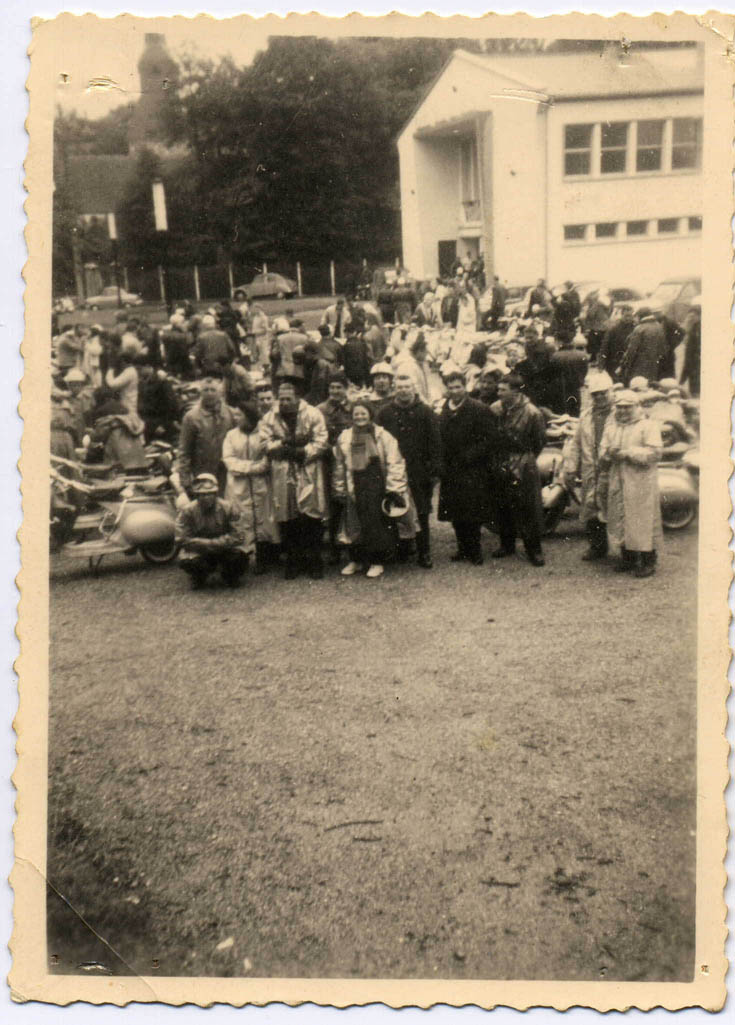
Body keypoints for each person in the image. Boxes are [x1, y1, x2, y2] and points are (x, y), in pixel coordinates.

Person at [333, 399, 418, 579]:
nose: (360, 417)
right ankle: (355, 559)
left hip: (375, 485)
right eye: (356, 414)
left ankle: (376, 561)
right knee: (353, 523)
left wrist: (394, 488)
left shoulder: (382, 435)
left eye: (363, 413)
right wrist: (340, 487)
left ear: (370, 415)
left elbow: (394, 461)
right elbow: (340, 464)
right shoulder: (345, 437)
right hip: (354, 484)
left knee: (375, 524)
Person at [259, 379, 329, 580]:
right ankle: (293, 561)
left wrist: (301, 452)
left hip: (308, 469)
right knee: (287, 517)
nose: (285, 402)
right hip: (282, 470)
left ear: (297, 397)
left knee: (311, 516)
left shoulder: (313, 414)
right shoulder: (269, 418)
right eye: (281, 399)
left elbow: (321, 441)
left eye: (289, 398)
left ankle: (314, 561)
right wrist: (286, 444)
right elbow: (264, 444)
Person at [376, 373, 441, 568]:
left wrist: (435, 470)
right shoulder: (385, 412)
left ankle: (424, 552)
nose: (403, 391)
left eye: (407, 387)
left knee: (420, 511)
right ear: (394, 388)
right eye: (400, 387)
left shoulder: (426, 412)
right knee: (395, 509)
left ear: (413, 388)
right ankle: (402, 549)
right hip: (393, 470)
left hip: (419, 470)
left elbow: (436, 442)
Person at [597, 390, 663, 578]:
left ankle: (648, 560)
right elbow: (602, 450)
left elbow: (655, 453)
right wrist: (608, 453)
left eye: (627, 407)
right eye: (619, 407)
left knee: (642, 518)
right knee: (620, 516)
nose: (623, 411)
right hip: (617, 478)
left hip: (640, 480)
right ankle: (628, 557)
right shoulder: (612, 427)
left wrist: (628, 453)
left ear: (636, 407)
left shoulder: (647, 426)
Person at [437, 369, 494, 565]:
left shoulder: (478, 409)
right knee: (455, 511)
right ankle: (462, 548)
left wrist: (470, 455)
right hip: (451, 469)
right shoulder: (444, 409)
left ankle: (474, 549)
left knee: (473, 511)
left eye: (458, 387)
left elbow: (489, 439)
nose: (455, 391)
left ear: (465, 387)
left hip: (472, 468)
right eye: (451, 387)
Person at [489, 373, 546, 566]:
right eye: (498, 389)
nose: (498, 393)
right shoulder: (495, 409)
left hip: (524, 461)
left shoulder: (532, 412)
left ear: (515, 391)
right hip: (501, 460)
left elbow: (539, 441)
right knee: (503, 504)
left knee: (528, 507)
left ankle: (534, 549)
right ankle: (507, 544)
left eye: (503, 390)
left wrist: (525, 459)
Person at [562, 371, 615, 561]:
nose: (599, 397)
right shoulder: (586, 416)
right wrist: (570, 468)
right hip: (590, 469)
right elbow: (576, 444)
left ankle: (629, 553)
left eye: (603, 393)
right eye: (595, 394)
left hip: (613, 469)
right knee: (591, 508)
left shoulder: (620, 413)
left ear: (611, 392)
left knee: (618, 509)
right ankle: (597, 547)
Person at [222, 402, 280, 574]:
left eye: (240, 415)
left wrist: (263, 463)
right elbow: (229, 461)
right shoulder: (231, 436)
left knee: (264, 519)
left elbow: (269, 458)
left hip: (261, 485)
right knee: (241, 519)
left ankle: (264, 557)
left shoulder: (263, 434)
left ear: (249, 417)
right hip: (239, 486)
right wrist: (254, 467)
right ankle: (243, 556)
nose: (236, 418)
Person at [175, 473, 250, 590]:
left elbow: (239, 536)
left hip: (223, 549)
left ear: (216, 494)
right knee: (188, 561)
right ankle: (199, 577)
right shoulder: (187, 511)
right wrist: (212, 544)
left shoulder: (229, 508)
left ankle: (230, 576)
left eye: (209, 493)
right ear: (196, 495)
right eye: (202, 495)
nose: (206, 497)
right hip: (200, 551)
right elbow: (181, 538)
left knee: (239, 556)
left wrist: (206, 543)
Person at [177, 369, 235, 497]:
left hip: (227, 474)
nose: (209, 394)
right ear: (200, 393)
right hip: (202, 474)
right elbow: (184, 451)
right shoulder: (191, 417)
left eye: (213, 390)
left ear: (220, 392)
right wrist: (186, 482)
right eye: (206, 390)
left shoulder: (230, 414)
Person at [318, 371, 354, 564]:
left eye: (339, 387)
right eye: (332, 387)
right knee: (334, 505)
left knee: (352, 500)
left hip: (351, 460)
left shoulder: (353, 407)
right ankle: (334, 548)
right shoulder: (321, 410)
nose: (335, 391)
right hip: (329, 462)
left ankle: (354, 545)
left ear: (345, 389)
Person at [619, 308, 668, 386]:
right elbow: (663, 349)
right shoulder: (659, 327)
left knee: (638, 386)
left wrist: (624, 365)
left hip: (639, 366)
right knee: (650, 386)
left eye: (636, 317)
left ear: (640, 316)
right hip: (654, 365)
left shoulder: (639, 329)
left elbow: (631, 351)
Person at [137, 364, 181, 443]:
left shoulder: (162, 382)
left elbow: (172, 405)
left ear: (148, 367)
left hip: (161, 426)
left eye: (140, 368)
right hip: (148, 426)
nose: (139, 371)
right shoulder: (141, 383)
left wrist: (164, 425)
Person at [598, 305, 635, 380]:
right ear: (621, 315)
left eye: (630, 316)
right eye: (626, 316)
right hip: (614, 362)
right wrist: (601, 365)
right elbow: (605, 347)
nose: (628, 318)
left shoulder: (636, 329)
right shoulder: (613, 329)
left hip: (629, 364)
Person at [393, 333, 432, 403]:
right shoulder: (407, 365)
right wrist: (426, 404)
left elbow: (427, 386)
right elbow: (415, 389)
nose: (427, 354)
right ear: (419, 351)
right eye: (425, 351)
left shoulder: (420, 363)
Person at [341, 314, 373, 389]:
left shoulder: (346, 345)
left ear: (346, 333)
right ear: (355, 332)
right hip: (362, 371)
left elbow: (344, 361)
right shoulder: (361, 342)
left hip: (351, 372)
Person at [162, 313, 192, 379]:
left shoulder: (166, 335)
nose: (185, 324)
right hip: (180, 368)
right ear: (177, 324)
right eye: (183, 322)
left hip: (170, 364)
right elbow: (184, 355)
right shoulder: (182, 337)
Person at [679, 305, 701, 397]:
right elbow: (683, 332)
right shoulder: (694, 326)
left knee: (694, 374)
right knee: (690, 372)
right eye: (690, 316)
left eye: (693, 316)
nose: (691, 318)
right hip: (691, 355)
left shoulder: (700, 327)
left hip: (695, 356)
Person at [583, 291, 610, 363]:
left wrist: (589, 309)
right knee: (599, 343)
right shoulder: (602, 304)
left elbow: (591, 314)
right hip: (603, 325)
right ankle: (594, 357)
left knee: (595, 342)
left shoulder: (596, 304)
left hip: (598, 327)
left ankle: (596, 359)